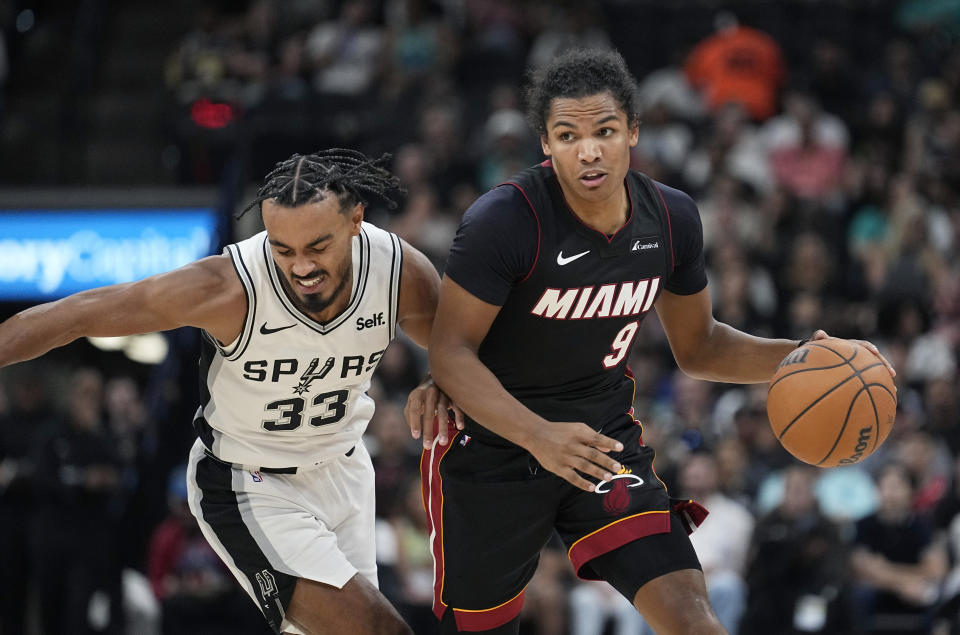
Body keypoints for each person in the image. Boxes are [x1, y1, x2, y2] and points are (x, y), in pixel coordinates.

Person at [426, 49, 895, 635]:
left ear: (634, 132)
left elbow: (700, 348)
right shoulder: (504, 220)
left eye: (605, 130)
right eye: (568, 135)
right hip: (492, 449)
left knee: (694, 622)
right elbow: (449, 354)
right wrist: (539, 437)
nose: (589, 150)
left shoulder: (671, 218)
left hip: (601, 442)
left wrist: (809, 359)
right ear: (545, 144)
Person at [0, 148, 462, 635]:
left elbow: (458, 347)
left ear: (355, 221)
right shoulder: (229, 286)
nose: (301, 266)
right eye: (283, 248)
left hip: (344, 469)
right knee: (380, 630)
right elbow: (80, 313)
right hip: (249, 484)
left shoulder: (396, 271)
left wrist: (440, 379)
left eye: (317, 247)